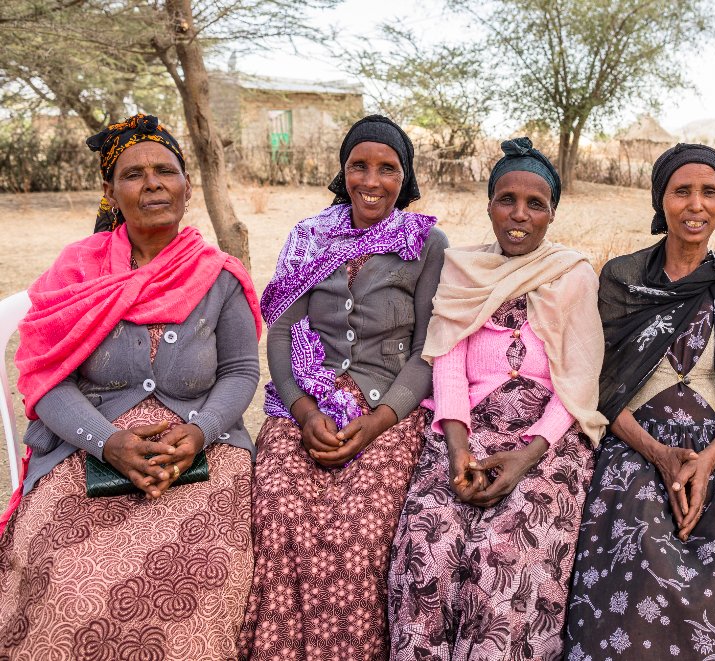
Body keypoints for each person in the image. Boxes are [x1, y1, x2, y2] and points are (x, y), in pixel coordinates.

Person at [0, 113, 262, 658]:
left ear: (187, 186)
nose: (153, 184)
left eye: (165, 171)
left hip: (201, 454)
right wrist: (106, 442)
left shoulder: (217, 274)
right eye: (134, 174)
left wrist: (200, 431)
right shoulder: (76, 271)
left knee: (201, 581)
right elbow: (45, 379)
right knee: (67, 585)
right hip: (84, 451)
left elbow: (239, 372)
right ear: (110, 191)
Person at [564, 144, 715, 661]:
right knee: (637, 547)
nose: (696, 205)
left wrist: (706, 462)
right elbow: (601, 385)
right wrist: (660, 455)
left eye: (710, 192)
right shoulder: (621, 279)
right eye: (681, 191)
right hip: (635, 442)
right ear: (659, 200)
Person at [386, 137, 606, 660]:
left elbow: (578, 381)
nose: (519, 215)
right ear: (488, 204)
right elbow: (448, 362)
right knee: (428, 546)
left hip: (547, 442)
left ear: (553, 214)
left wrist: (528, 456)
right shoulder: (463, 271)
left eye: (536, 205)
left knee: (505, 551)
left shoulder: (573, 275)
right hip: (464, 429)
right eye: (506, 199)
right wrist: (458, 450)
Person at [238, 114, 447, 660]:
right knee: (277, 510)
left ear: (406, 178)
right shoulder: (309, 238)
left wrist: (380, 422)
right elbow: (281, 330)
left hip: (389, 411)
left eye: (388, 168)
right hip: (304, 399)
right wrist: (304, 413)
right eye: (360, 165)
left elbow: (428, 350)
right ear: (343, 171)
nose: (371, 180)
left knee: (364, 529)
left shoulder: (426, 243)